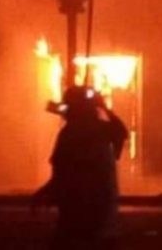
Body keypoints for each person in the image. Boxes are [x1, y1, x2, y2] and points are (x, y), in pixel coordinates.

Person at [34, 87, 128, 249]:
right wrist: (102, 106)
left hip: (81, 212)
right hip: (97, 214)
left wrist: (50, 190)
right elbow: (120, 131)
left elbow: (63, 169)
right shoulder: (100, 130)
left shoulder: (73, 133)